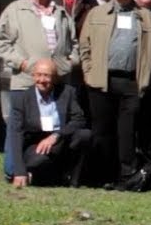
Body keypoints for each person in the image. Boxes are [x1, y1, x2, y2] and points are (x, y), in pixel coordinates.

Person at [0, 0, 78, 179]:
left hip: (56, 83)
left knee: (52, 128)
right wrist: (22, 63)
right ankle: (13, 170)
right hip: (25, 81)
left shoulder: (60, 11)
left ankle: (43, 170)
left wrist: (69, 63)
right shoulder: (15, 10)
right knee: (17, 128)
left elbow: (74, 43)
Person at [79, 0, 151, 188]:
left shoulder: (146, 17)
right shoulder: (96, 14)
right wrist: (88, 71)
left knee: (127, 131)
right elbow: (84, 46)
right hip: (101, 80)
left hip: (132, 82)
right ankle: (103, 175)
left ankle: (127, 176)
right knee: (103, 131)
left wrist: (146, 78)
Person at [7, 59, 92, 188]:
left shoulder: (67, 92)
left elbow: (79, 120)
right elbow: (16, 134)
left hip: (61, 139)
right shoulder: (22, 99)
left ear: (55, 78)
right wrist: (19, 171)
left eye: (47, 76)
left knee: (84, 135)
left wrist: (56, 136)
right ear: (33, 76)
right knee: (39, 162)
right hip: (37, 144)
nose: (42, 80)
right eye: (38, 75)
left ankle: (74, 181)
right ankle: (52, 177)